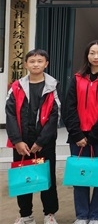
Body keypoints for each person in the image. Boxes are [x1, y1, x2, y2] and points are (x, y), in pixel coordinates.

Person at [63, 40, 98, 224]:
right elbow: (69, 108)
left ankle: (97, 215)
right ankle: (82, 215)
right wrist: (77, 134)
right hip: (78, 138)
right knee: (80, 175)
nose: (96, 57)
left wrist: (95, 134)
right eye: (92, 53)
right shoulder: (78, 78)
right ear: (87, 55)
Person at [6, 49, 61, 224]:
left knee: (48, 177)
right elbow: (10, 114)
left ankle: (49, 214)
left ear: (46, 64)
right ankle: (25, 215)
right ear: (26, 64)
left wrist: (41, 141)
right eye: (32, 61)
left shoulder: (53, 87)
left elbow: (54, 116)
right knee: (24, 177)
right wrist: (17, 141)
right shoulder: (16, 87)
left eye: (40, 61)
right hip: (22, 143)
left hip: (45, 142)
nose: (36, 64)